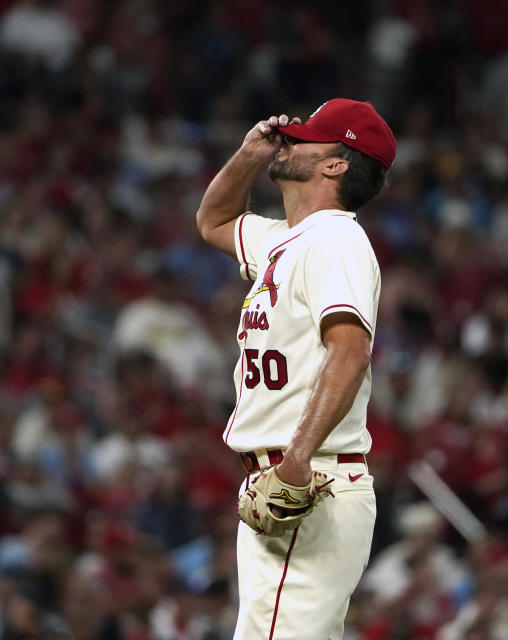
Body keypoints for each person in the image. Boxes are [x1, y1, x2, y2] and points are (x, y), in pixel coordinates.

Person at [195, 98, 395, 638]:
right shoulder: (287, 239)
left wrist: (296, 461)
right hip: (285, 482)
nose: (289, 140)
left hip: (308, 482)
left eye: (307, 137)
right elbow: (213, 220)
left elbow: (350, 352)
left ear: (336, 163)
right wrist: (246, 157)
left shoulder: (336, 238)